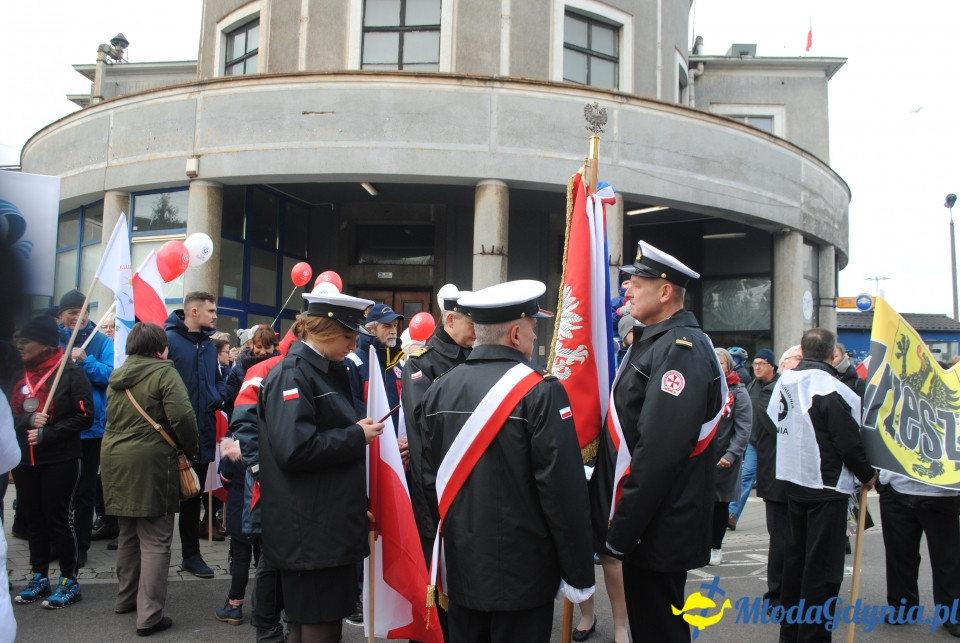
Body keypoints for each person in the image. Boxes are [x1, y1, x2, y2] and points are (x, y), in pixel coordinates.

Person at [419, 280, 594, 643]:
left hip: (462, 570)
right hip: (525, 576)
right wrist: (578, 573)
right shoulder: (543, 391)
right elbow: (563, 491)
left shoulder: (440, 388)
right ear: (515, 333)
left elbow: (427, 477)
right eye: (532, 328)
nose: (534, 337)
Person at [590, 240, 724, 643]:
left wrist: (624, 528)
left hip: (657, 523)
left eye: (637, 283)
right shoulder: (657, 340)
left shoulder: (680, 349)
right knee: (651, 625)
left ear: (666, 292)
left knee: (659, 630)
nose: (626, 290)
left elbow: (659, 453)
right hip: (650, 520)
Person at [257, 289, 384, 643]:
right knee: (317, 622)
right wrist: (356, 436)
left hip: (323, 523)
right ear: (320, 330)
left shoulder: (325, 370)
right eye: (347, 335)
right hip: (310, 531)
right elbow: (295, 450)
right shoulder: (293, 375)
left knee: (313, 620)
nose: (353, 342)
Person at [771, 328, 876, 643]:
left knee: (796, 564)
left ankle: (791, 633)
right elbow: (847, 440)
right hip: (826, 486)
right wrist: (867, 473)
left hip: (794, 480)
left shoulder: (784, 381)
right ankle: (813, 636)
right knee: (822, 573)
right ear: (833, 355)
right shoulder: (830, 388)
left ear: (802, 352)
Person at [101, 322, 199, 637]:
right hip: (152, 462)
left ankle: (125, 599)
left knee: (128, 534)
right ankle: (150, 615)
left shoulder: (118, 375)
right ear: (161, 349)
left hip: (115, 460)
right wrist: (190, 450)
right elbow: (183, 416)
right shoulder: (163, 372)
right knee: (156, 538)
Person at [11, 315, 93, 609]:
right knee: (33, 519)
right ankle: (38, 575)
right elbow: (7, 414)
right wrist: (28, 419)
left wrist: (49, 433)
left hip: (60, 458)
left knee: (58, 519)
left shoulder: (70, 372)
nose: (20, 346)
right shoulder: (17, 374)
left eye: (26, 341)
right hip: (24, 460)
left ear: (44, 343)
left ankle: (69, 580)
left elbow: (85, 417)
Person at [229, 328, 298, 643]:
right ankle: (268, 629)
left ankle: (287, 621)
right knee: (271, 558)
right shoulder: (264, 370)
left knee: (288, 557)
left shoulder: (313, 367)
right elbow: (243, 423)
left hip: (295, 486)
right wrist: (261, 471)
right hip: (267, 487)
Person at [400, 283, 474, 565]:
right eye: (471, 322)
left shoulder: (475, 357)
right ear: (451, 320)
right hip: (435, 478)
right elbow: (424, 422)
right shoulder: (421, 363)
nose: (476, 330)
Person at [164, 291, 225, 578]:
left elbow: (218, 381)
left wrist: (217, 396)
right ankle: (156, 558)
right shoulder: (169, 342)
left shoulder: (210, 346)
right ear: (193, 312)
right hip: (173, 437)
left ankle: (191, 555)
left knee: (192, 496)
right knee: (167, 500)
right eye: (211, 311)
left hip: (203, 433)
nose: (215, 316)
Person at [57, 288, 114, 568]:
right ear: (61, 316)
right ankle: (60, 543)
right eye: (70, 314)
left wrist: (85, 359)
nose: (75, 319)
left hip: (90, 429)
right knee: (58, 489)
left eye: (81, 313)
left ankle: (81, 546)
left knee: (85, 491)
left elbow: (109, 375)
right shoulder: (55, 339)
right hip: (60, 427)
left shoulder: (100, 341)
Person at [877, 470, 960, 637]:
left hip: (941, 490)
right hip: (896, 486)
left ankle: (953, 613)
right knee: (899, 554)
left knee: (947, 560)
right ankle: (902, 606)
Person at [750, 346, 794, 610]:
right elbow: (778, 428)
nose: (756, 367)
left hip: (799, 477)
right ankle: (777, 596)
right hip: (775, 474)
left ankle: (793, 591)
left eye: (760, 363)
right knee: (780, 539)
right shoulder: (768, 391)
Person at [709, 347, 751, 565]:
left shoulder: (738, 391)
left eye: (722, 362)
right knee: (701, 504)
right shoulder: (704, 387)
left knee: (719, 504)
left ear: (729, 365)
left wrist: (732, 454)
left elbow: (743, 428)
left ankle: (715, 546)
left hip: (725, 459)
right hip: (703, 457)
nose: (718, 366)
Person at [729, 348, 778, 530]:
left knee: (772, 482)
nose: (756, 368)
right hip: (754, 441)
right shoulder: (752, 385)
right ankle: (732, 514)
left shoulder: (780, 384)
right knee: (747, 475)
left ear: (771, 366)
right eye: (755, 364)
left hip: (774, 444)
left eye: (761, 364)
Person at [346, 303, 405, 420]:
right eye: (387, 326)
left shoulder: (400, 364)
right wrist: (382, 433)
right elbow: (351, 406)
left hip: (399, 437)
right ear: (370, 330)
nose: (393, 331)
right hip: (370, 435)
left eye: (395, 325)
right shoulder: (354, 362)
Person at [224, 325, 280, 414]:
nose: (263, 352)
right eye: (259, 347)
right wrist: (247, 391)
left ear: (274, 346)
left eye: (267, 347)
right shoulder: (238, 370)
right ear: (251, 345)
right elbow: (227, 405)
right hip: (245, 423)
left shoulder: (281, 368)